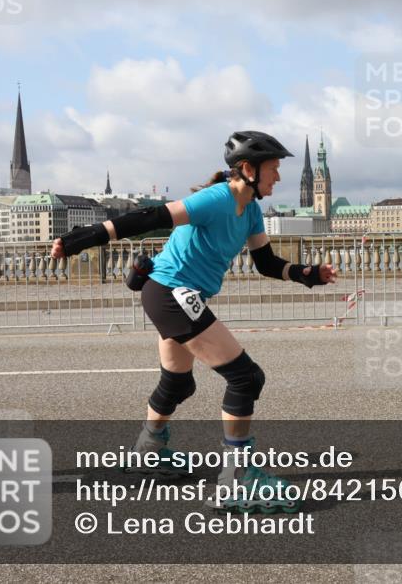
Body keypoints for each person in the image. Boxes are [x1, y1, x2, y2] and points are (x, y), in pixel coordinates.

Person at [51, 130, 337, 512]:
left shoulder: (250, 208)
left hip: (173, 294)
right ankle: (236, 479)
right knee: (245, 377)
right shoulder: (216, 199)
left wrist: (307, 274)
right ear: (248, 169)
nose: (279, 177)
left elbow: (266, 264)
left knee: (178, 382)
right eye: (274, 169)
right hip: (171, 292)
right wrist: (82, 238)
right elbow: (152, 216)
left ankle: (148, 449)